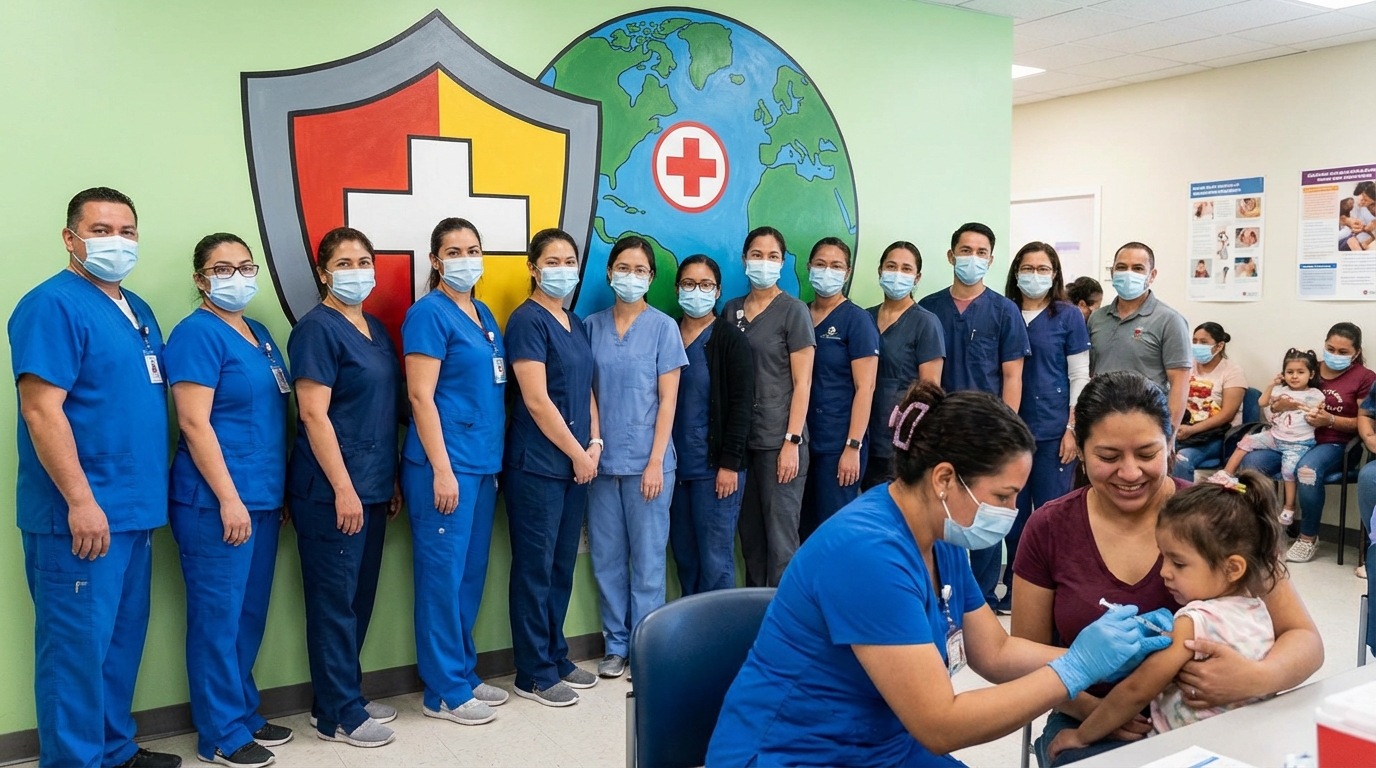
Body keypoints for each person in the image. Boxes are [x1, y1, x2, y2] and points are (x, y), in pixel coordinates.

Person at [705, 382, 1174, 767]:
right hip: (798, 755)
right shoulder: (867, 553)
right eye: (1004, 496)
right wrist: (1076, 668)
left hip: (880, 745)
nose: (1013, 512)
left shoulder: (939, 535)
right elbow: (939, 725)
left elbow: (995, 650)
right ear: (945, 479)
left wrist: (1114, 654)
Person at [1012, 371, 1324, 767]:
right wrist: (1093, 710)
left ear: (1171, 443)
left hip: (1219, 715)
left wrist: (1256, 678)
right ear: (1081, 449)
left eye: (1146, 454)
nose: (1129, 473)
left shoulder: (1217, 518)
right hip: (1089, 715)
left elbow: (1305, 640)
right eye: (1108, 457)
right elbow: (1023, 657)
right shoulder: (1050, 527)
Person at [10, 187, 181, 768]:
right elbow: (41, 410)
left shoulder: (137, 310)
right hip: (79, 514)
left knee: (118, 645)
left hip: (134, 510)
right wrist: (81, 502)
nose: (117, 241)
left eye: (127, 231)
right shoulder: (51, 305)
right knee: (75, 655)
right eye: (102, 230)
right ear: (70, 238)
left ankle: (113, 749)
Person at [1046, 471, 1282, 761]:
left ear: (1233, 568)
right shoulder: (1258, 610)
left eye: (1179, 563)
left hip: (1181, 754)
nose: (1164, 572)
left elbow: (1136, 691)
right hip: (1239, 749)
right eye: (1163, 557)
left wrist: (1081, 735)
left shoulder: (1193, 621)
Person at [164, 233, 291, 767]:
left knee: (248, 612)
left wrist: (271, 493)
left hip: (261, 495)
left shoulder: (259, 334)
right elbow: (194, 423)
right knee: (218, 616)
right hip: (215, 502)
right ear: (200, 280)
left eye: (245, 266)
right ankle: (219, 732)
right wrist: (230, 499)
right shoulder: (195, 335)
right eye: (222, 268)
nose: (236, 277)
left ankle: (241, 708)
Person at [287, 227, 403, 747]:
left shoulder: (375, 328)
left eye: (364, 260)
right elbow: (313, 414)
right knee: (334, 602)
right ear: (323, 272)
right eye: (345, 262)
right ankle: (339, 714)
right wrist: (344, 488)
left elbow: (378, 414)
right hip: (331, 492)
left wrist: (388, 479)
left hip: (374, 485)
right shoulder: (316, 330)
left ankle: (340, 694)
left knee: (358, 598)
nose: (357, 271)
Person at [400, 218, 514, 724]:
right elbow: (420, 396)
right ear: (435, 260)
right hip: (443, 467)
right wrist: (442, 469)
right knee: (441, 577)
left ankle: (464, 672)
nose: (466, 258)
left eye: (473, 248)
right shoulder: (427, 315)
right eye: (454, 250)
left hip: (482, 463)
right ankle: (442, 689)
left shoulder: (484, 313)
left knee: (469, 574)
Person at [504, 228, 602, 706]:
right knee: (535, 568)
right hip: (539, 466)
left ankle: (557, 654)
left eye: (570, 259)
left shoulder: (574, 321)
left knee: (561, 565)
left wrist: (596, 441)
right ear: (533, 266)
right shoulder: (527, 322)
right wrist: (578, 453)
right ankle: (533, 671)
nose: (563, 268)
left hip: (577, 464)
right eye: (553, 260)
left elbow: (586, 388)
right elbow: (538, 402)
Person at [585, 236, 687, 679]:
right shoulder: (590, 326)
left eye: (640, 270)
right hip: (602, 464)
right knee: (606, 557)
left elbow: (668, 401)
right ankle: (615, 645)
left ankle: (647, 646)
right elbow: (586, 394)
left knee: (648, 559)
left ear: (651, 277)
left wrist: (654, 460)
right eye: (623, 268)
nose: (631, 276)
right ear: (609, 273)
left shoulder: (664, 327)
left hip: (650, 462)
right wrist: (593, 445)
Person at [919, 222, 1030, 608]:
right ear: (951, 256)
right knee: (939, 512)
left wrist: (1006, 429)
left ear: (991, 260)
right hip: (942, 429)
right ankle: (936, 593)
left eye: (981, 252)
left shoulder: (1005, 311)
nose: (972, 259)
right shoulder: (929, 308)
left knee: (985, 515)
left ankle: (980, 599)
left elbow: (1012, 375)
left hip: (988, 431)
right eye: (965, 251)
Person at [999, 242, 1089, 614]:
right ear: (1015, 271)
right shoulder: (1004, 312)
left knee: (1053, 513)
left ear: (1054, 275)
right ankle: (1019, 584)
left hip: (1054, 430)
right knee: (1012, 513)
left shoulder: (1067, 316)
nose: (1034, 275)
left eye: (1043, 268)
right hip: (1011, 432)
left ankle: (1055, 587)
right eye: (1028, 267)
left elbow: (1079, 374)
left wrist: (1073, 428)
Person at [723, 226, 815, 588]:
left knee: (781, 543)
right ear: (744, 259)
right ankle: (754, 622)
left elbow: (803, 383)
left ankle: (784, 629)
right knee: (751, 541)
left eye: (772, 256)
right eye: (756, 255)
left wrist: (792, 441)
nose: (764, 263)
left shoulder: (793, 312)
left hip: (780, 441)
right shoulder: (731, 310)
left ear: (783, 262)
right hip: (742, 443)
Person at [1239, 323, 1375, 562]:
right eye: (1330, 348)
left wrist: (1330, 420)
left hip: (1334, 445)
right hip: (1290, 440)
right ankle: (1260, 530)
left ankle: (1308, 537)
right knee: (1251, 461)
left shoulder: (1364, 378)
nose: (1335, 355)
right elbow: (1275, 403)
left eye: (1343, 352)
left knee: (1307, 471)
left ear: (1355, 352)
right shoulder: (1307, 367)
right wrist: (1277, 405)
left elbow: (1366, 420)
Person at [669, 255, 753, 595]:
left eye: (705, 285)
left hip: (716, 470)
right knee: (685, 558)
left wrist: (730, 465)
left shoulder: (730, 339)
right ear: (677, 289)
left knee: (716, 561)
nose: (696, 291)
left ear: (717, 292)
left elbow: (742, 406)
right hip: (674, 470)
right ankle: (693, 640)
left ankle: (720, 643)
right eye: (689, 284)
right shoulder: (667, 333)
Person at [801, 237, 879, 535]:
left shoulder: (857, 321)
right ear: (809, 267)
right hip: (803, 441)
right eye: (820, 264)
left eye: (835, 266)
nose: (827, 271)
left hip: (838, 444)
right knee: (802, 528)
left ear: (847, 273)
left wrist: (853, 447)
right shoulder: (799, 314)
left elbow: (866, 388)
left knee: (834, 529)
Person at [1087, 242, 1192, 436]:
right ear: (1112, 272)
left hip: (1147, 424)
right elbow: (1090, 373)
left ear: (1152, 275)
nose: (1128, 273)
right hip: (1101, 421)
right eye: (1121, 267)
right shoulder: (1097, 318)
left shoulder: (1170, 320)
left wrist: (1169, 436)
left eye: (1137, 268)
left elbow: (1180, 384)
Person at [864, 241, 944, 491]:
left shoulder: (926, 323)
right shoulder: (863, 318)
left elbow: (928, 393)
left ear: (917, 277)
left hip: (898, 441)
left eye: (906, 269)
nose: (897, 274)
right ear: (880, 271)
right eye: (891, 266)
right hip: (861, 434)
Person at [1213, 349, 1324, 526]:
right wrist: (1272, 385)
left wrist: (1292, 404)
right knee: (1246, 441)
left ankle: (1288, 507)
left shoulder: (1315, 394)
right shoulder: (1280, 390)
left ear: (1311, 374)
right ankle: (1226, 474)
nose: (1294, 376)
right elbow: (1261, 403)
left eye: (1300, 372)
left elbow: (1315, 413)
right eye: (1290, 372)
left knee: (1289, 471)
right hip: (1275, 436)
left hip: (1297, 443)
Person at [1173, 322, 1246, 480]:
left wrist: (1192, 430)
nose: (1197, 346)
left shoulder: (1232, 371)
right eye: (1195, 341)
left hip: (1215, 436)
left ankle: (1183, 504)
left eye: (1204, 342)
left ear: (1219, 346)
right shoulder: (1187, 366)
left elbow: (1227, 414)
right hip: (1183, 430)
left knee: (1182, 459)